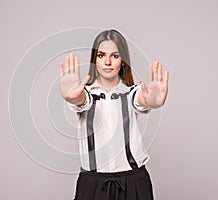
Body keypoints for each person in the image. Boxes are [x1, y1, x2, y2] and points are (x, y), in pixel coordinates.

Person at [58, 29, 169, 200]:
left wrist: (152, 100)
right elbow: (81, 101)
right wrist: (73, 96)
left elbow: (140, 99)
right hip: (92, 184)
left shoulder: (131, 93)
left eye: (115, 56)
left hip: (134, 183)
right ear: (94, 59)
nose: (107, 62)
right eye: (101, 55)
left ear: (123, 61)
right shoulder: (86, 94)